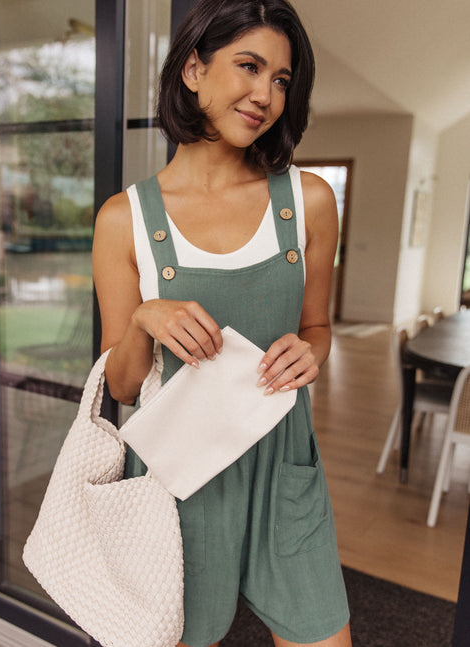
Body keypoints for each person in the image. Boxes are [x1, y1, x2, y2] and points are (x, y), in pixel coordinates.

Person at [92, 0, 352, 645]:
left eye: (283, 80)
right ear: (192, 71)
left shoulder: (308, 201)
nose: (266, 94)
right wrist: (144, 321)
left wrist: (313, 352)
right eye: (249, 66)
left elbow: (317, 326)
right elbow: (120, 389)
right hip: (177, 481)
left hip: (283, 467)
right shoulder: (124, 220)